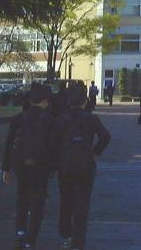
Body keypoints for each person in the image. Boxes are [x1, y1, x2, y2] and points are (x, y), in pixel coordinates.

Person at [53, 85, 110, 250]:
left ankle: (66, 233)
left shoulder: (61, 120)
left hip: (66, 164)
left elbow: (53, 143)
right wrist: (95, 151)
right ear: (84, 102)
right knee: (82, 203)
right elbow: (106, 136)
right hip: (85, 163)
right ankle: (79, 240)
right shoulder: (91, 119)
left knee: (66, 200)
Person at [2, 83, 54, 250]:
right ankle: (31, 239)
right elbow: (53, 146)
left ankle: (20, 232)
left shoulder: (18, 118)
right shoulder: (49, 120)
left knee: (22, 198)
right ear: (45, 101)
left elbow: (9, 144)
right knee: (37, 202)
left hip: (20, 164)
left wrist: (6, 168)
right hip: (41, 165)